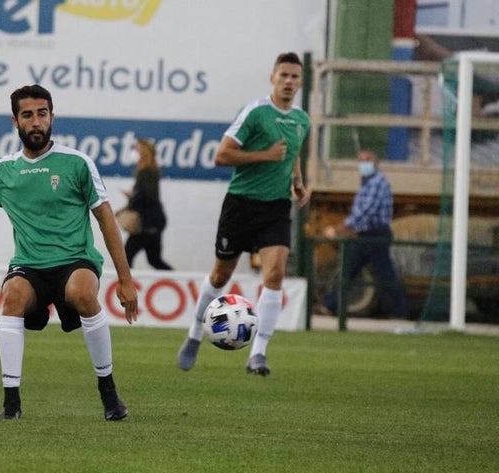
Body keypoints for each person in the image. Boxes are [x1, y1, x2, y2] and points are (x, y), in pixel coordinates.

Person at [0, 84, 138, 421]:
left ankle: (109, 395)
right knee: (12, 295)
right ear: (15, 121)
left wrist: (125, 279)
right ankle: (11, 405)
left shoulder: (77, 163)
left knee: (81, 293)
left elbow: (105, 218)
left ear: (52, 117)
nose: (36, 122)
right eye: (27, 115)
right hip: (30, 266)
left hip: (76, 261)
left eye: (42, 114)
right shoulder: (7, 170)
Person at [176, 52, 311, 376]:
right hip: (241, 204)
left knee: (275, 274)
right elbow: (221, 155)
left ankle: (258, 354)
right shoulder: (255, 113)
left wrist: (297, 181)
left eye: (294, 76)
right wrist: (265, 155)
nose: (289, 82)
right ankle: (195, 332)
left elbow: (290, 153)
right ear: (272, 78)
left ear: (301, 81)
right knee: (221, 275)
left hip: (276, 207)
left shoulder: (302, 120)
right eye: (284, 76)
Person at [320, 150, 407, 319]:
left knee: (380, 273)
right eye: (360, 160)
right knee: (352, 269)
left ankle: (399, 311)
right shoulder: (367, 182)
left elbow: (366, 211)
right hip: (366, 235)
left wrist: (340, 228)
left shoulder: (377, 182)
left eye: (367, 160)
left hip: (375, 235)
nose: (363, 164)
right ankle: (330, 304)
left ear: (375, 163)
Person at [123, 138, 174, 271]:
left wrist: (133, 198)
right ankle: (175, 279)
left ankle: (128, 285)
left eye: (137, 149)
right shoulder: (148, 171)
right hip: (150, 222)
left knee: (126, 256)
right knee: (154, 260)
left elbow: (150, 196)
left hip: (148, 223)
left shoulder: (147, 172)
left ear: (143, 152)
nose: (134, 153)